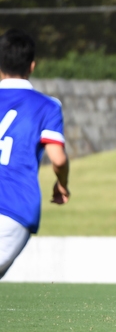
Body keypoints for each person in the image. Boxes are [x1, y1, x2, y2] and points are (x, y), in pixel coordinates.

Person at [0, 28, 69, 279]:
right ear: (32, 65)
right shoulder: (46, 105)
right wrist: (62, 185)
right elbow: (58, 159)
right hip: (14, 208)